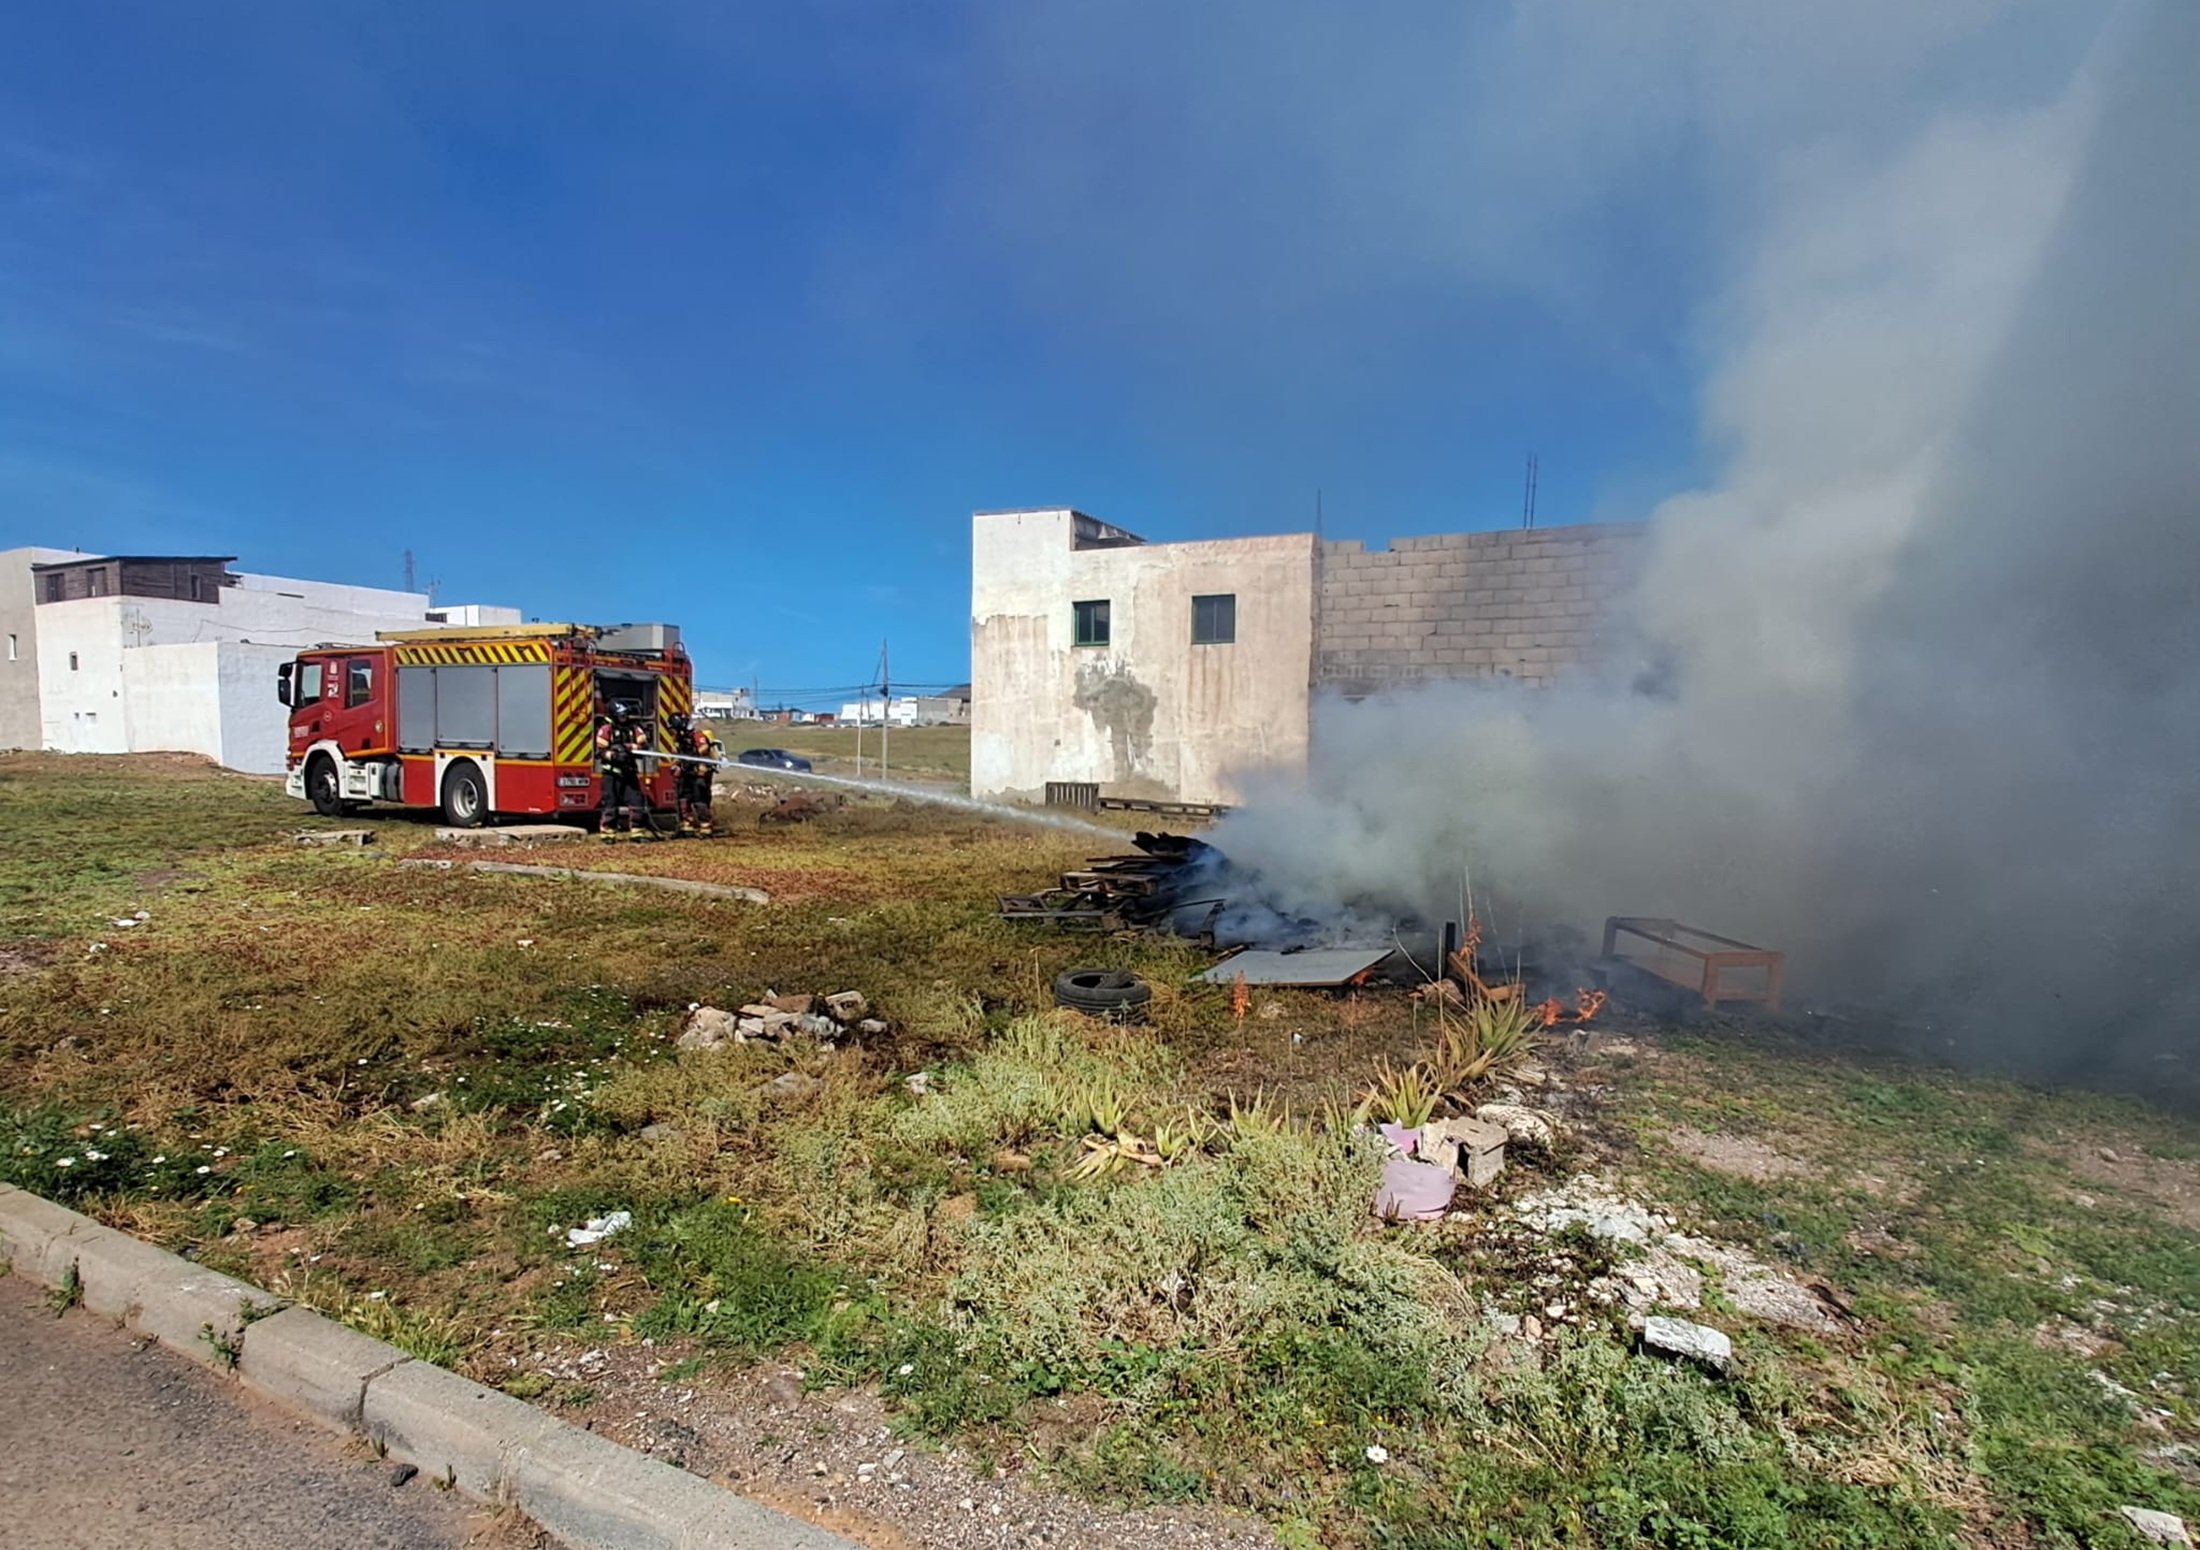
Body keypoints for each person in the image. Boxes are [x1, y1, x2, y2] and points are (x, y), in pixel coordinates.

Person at [595, 702, 647, 841]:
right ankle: (608, 834)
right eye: (620, 715)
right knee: (610, 804)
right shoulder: (606, 730)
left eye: (625, 715)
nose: (623, 717)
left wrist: (628, 747)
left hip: (629, 772)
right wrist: (614, 755)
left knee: (636, 802)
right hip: (611, 774)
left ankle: (637, 833)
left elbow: (643, 744)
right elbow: (600, 752)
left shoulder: (634, 728)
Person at [671, 714, 723, 835]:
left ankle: (705, 826)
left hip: (700, 772)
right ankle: (686, 825)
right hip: (687, 772)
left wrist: (691, 756)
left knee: (699, 798)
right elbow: (676, 753)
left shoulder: (697, 735)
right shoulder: (679, 738)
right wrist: (676, 764)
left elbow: (704, 747)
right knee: (684, 797)